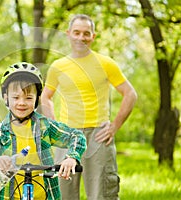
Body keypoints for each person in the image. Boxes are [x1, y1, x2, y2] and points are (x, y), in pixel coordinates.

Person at [41, 14, 137, 200]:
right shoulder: (58, 66)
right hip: (66, 136)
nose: (81, 37)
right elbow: (46, 97)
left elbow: (130, 94)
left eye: (86, 33)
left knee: (101, 194)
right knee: (63, 193)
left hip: (98, 135)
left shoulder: (106, 63)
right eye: (76, 32)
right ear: (68, 34)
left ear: (93, 36)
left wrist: (114, 126)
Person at [0, 62, 86, 200]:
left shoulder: (45, 126)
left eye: (28, 98)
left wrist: (71, 158)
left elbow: (76, 136)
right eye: (16, 97)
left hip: (45, 194)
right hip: (7, 195)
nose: (21, 102)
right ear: (6, 98)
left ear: (36, 100)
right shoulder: (0, 131)